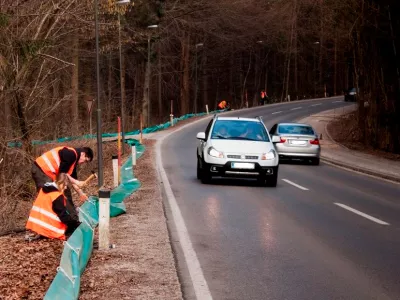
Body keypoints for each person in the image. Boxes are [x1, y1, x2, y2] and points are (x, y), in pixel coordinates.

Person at [31, 146, 93, 219]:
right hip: (41, 170)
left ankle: (73, 218)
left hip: (49, 174)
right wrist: (76, 181)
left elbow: (72, 180)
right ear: (83, 154)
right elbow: (62, 173)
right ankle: (48, 220)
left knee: (66, 192)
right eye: (85, 160)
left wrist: (81, 193)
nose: (83, 163)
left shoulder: (73, 163)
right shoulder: (71, 154)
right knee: (51, 196)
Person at [26, 173, 81, 240]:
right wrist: (75, 224)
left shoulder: (43, 190)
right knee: (69, 226)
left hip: (36, 226)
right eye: (65, 185)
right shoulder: (57, 195)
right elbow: (63, 216)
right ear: (60, 183)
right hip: (49, 228)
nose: (66, 188)